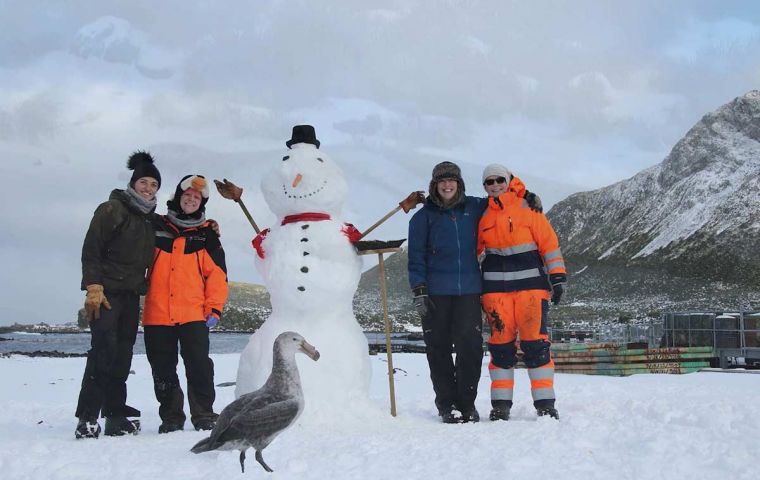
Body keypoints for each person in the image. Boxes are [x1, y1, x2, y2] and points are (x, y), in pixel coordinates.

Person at [75, 151, 161, 438]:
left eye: (154, 185)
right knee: (103, 351)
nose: (148, 189)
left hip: (130, 296)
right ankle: (87, 417)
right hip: (106, 294)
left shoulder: (151, 219)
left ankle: (114, 414)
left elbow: (180, 225)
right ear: (134, 183)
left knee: (123, 355)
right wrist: (93, 287)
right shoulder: (112, 209)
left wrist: (210, 226)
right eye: (144, 183)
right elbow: (92, 249)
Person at [477, 163, 566, 421]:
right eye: (488, 182)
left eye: (499, 180)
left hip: (531, 291)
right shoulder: (482, 216)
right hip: (496, 294)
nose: (494, 185)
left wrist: (558, 277)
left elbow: (549, 245)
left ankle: (545, 405)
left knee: (536, 346)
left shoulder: (530, 208)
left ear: (508, 180)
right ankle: (500, 406)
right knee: (500, 349)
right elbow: (474, 252)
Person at [142, 174, 228, 433]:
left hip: (194, 314)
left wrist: (214, 308)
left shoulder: (207, 236)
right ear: (178, 197)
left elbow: (218, 276)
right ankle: (171, 417)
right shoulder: (154, 225)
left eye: (197, 198)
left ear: (201, 204)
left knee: (200, 366)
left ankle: (203, 415)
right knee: (163, 369)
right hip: (157, 314)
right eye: (187, 195)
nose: (191, 199)